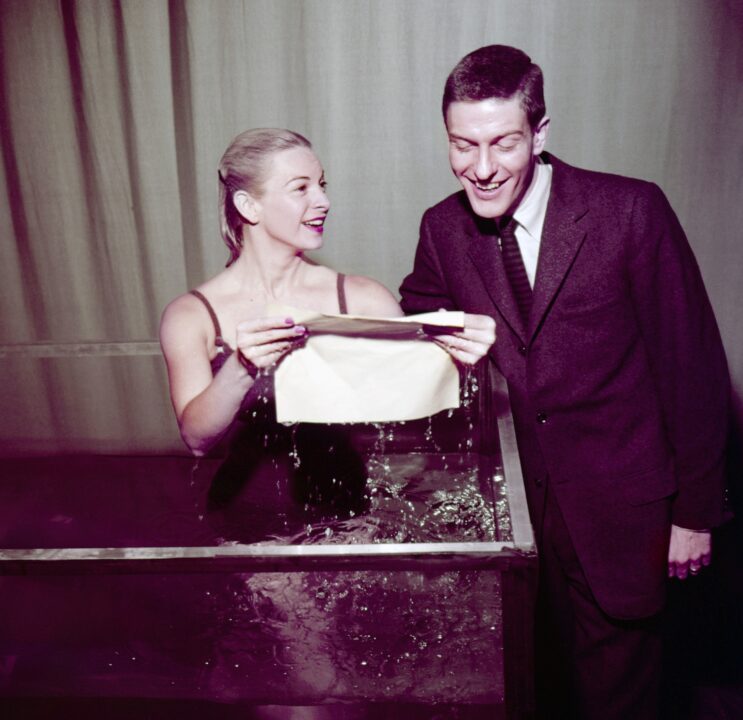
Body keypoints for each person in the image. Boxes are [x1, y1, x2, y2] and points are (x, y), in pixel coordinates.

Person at [399, 46, 730, 719]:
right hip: (514, 524)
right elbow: (419, 314)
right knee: (530, 690)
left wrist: (694, 513)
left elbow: (692, 366)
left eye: (503, 143)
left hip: (625, 512)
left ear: (540, 132)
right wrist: (442, 343)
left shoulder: (631, 211)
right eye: (462, 145)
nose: (481, 168)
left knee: (620, 700)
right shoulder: (440, 228)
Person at [160, 127, 495, 460]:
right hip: (240, 513)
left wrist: (455, 359)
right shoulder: (191, 316)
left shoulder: (365, 299)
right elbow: (196, 440)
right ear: (249, 207)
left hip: (357, 510)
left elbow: (418, 413)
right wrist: (241, 367)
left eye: (321, 186)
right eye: (300, 189)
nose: (323, 202)